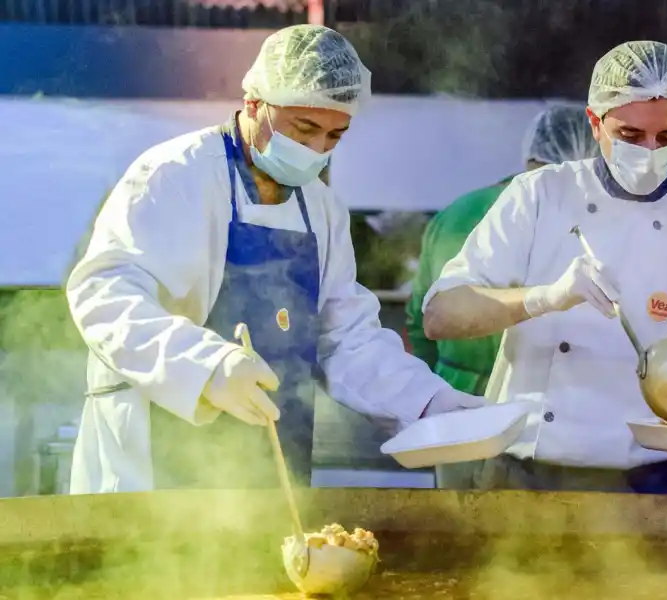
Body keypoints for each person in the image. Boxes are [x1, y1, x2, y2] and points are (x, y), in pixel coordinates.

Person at [65, 25, 483, 494]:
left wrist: (430, 404)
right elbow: (104, 293)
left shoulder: (320, 208)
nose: (317, 150)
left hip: (271, 457)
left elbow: (346, 339)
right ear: (254, 103)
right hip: (157, 449)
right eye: (304, 129)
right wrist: (207, 367)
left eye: (334, 135)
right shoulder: (176, 175)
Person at [421, 41, 667, 494]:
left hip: (649, 479)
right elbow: (440, 315)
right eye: (631, 136)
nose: (650, 151)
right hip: (525, 474)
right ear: (595, 124)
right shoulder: (539, 195)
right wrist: (542, 299)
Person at [406, 105, 600, 489]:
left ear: (529, 155)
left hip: (454, 406)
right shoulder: (578, 223)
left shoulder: (455, 212)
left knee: (454, 534)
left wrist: (436, 390)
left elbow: (419, 319)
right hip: (530, 413)